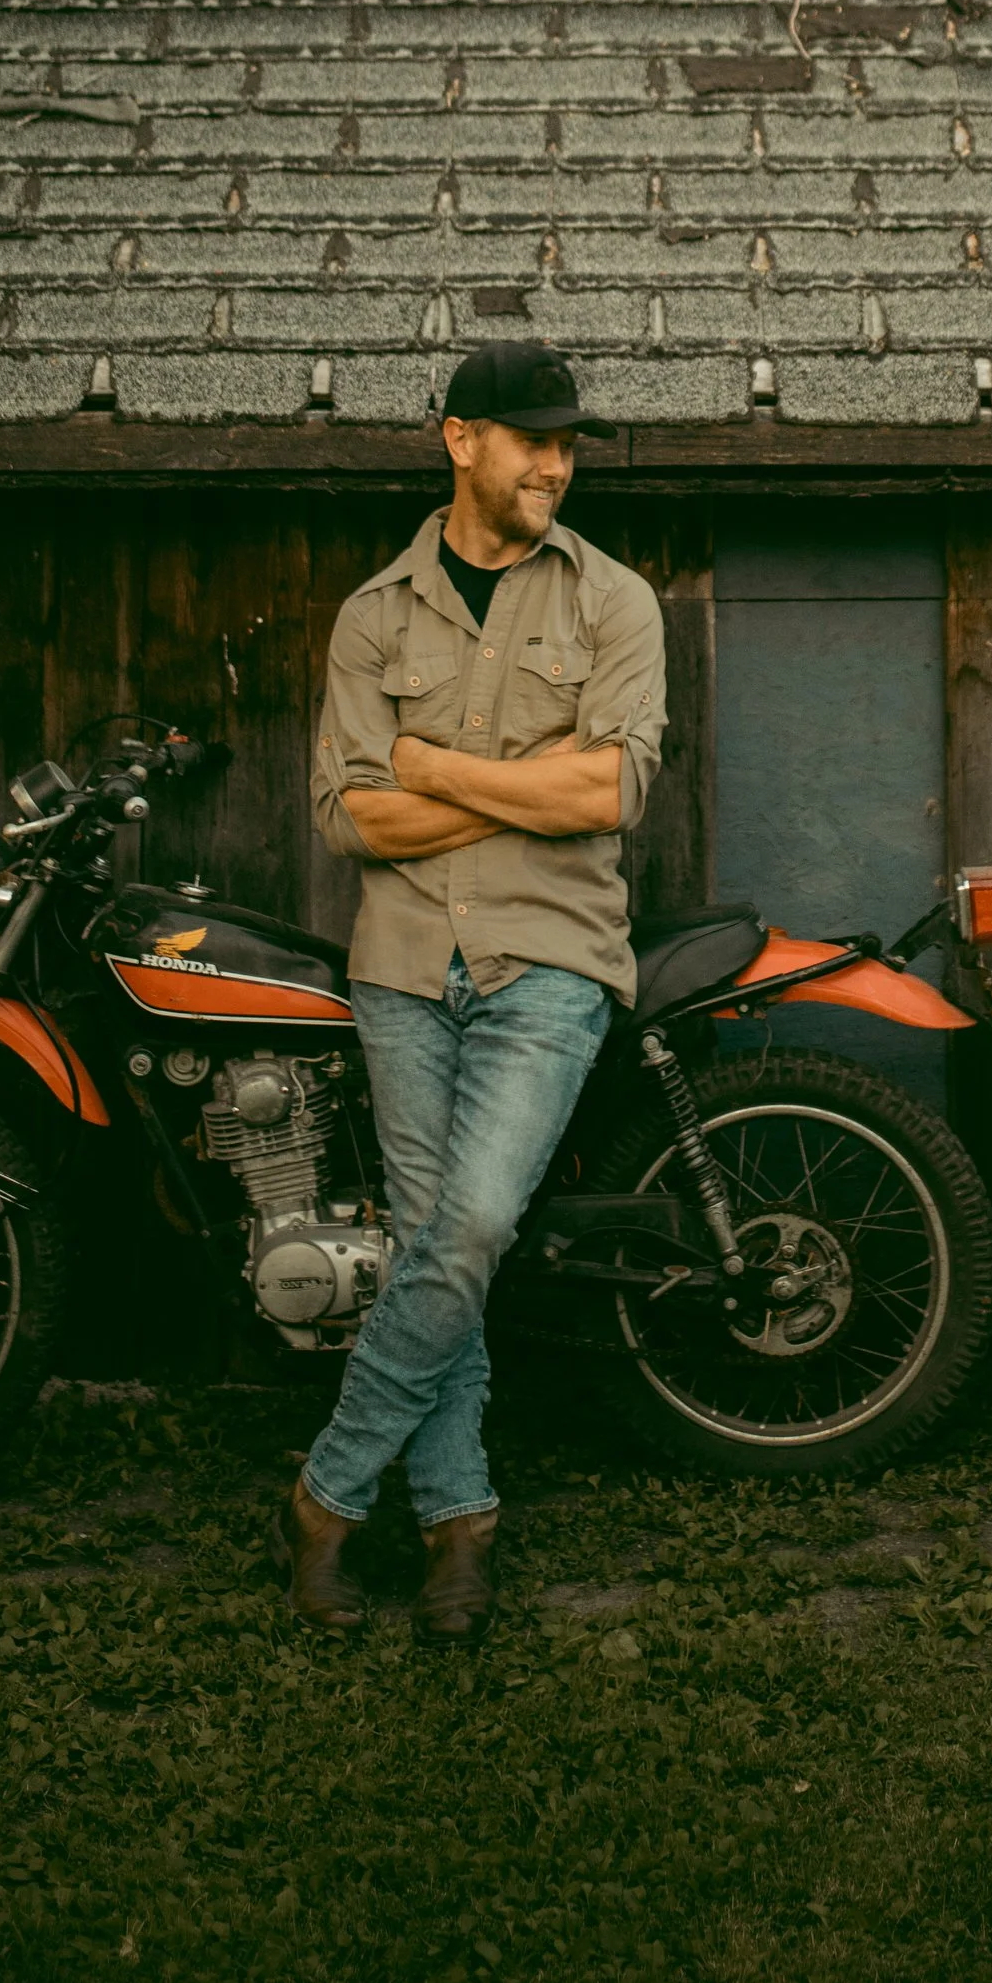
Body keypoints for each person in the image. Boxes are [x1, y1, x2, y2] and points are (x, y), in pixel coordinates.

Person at [283, 343, 665, 1641]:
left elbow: (606, 793)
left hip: (553, 960)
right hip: (401, 967)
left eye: (568, 441)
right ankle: (459, 1523)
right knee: (438, 1243)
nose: (556, 462)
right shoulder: (374, 615)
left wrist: (428, 766)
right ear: (459, 440)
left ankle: (327, 1495)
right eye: (530, 439)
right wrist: (517, 779)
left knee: (473, 1226)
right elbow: (348, 819)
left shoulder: (614, 602)